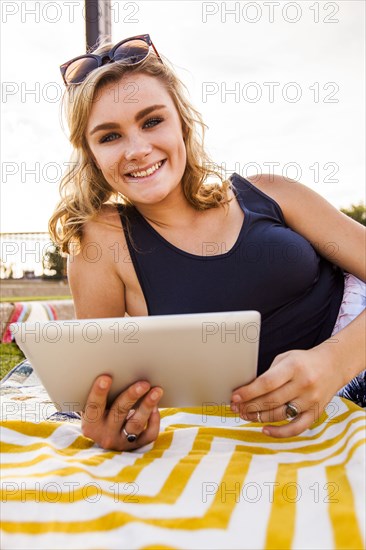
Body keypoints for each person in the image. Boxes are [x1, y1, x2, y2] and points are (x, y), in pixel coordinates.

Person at [49, 34, 365, 452]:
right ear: (90, 154)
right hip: (267, 429)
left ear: (181, 121)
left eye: (151, 121)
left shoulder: (270, 193)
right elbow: (106, 396)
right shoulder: (100, 242)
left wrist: (334, 363)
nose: (138, 150)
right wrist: (119, 428)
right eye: (109, 136)